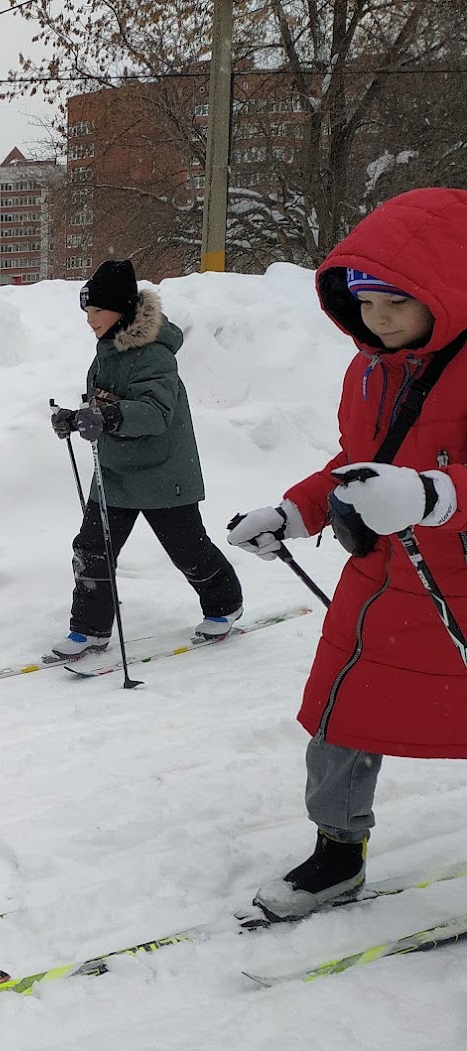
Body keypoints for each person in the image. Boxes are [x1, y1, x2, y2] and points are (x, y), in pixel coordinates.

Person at [226, 188, 467, 919]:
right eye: (364, 303)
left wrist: (430, 495)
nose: (379, 319)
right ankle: (336, 856)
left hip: (457, 583)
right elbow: (357, 460)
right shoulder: (367, 369)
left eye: (397, 301)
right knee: (338, 718)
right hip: (380, 582)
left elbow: (419, 475)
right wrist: (294, 512)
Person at [46, 259, 243, 661]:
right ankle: (89, 630)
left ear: (120, 310)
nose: (90, 320)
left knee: (186, 548)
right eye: (87, 312)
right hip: (116, 471)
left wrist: (111, 417)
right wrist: (78, 417)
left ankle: (225, 606)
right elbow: (104, 402)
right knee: (91, 547)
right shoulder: (106, 351)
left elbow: (155, 412)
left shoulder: (154, 355)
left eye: (97, 311)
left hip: (162, 472)